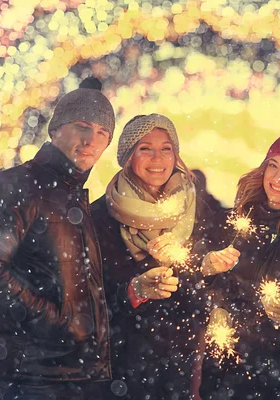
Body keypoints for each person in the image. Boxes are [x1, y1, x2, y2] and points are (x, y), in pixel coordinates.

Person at [0, 77, 116, 399]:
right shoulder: (17, 185)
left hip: (78, 377)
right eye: (82, 125)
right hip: (31, 378)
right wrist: (58, 323)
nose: (90, 140)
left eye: (102, 133)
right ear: (55, 130)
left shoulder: (78, 199)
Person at [91, 113, 222, 399]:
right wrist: (134, 290)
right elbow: (88, 293)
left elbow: (204, 288)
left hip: (175, 357)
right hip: (119, 359)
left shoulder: (198, 209)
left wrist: (204, 268)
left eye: (166, 148)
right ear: (127, 156)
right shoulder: (99, 216)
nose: (157, 158)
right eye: (145, 148)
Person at [199, 131, 280, 400]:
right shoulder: (232, 222)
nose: (278, 179)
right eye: (273, 166)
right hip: (227, 376)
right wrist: (211, 286)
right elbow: (203, 282)